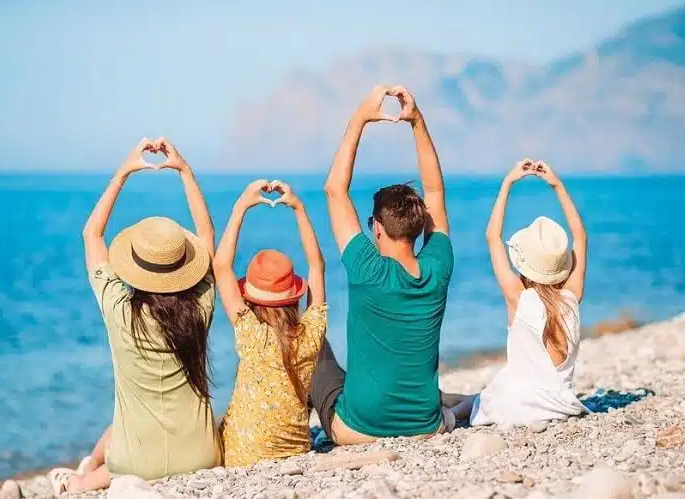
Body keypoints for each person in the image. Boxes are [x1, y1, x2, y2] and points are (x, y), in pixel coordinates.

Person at [49, 138, 222, 494]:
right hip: (202, 455)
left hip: (136, 461)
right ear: (183, 266)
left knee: (120, 448)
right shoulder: (201, 306)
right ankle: (82, 477)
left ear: (134, 266)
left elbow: (91, 234)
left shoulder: (118, 309)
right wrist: (185, 171)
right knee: (122, 436)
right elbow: (207, 235)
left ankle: (77, 482)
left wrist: (123, 172)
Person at [310, 85, 455, 445]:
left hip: (356, 430)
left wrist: (360, 118)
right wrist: (417, 122)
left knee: (311, 342)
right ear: (422, 226)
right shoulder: (438, 267)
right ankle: (455, 410)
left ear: (375, 228)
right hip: (426, 426)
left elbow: (334, 190)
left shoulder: (366, 269)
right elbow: (434, 192)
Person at [450, 159, 589, 425]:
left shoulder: (519, 298)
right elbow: (580, 235)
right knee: (484, 395)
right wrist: (558, 186)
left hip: (516, 406)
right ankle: (453, 404)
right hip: (561, 406)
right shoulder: (572, 297)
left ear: (525, 267)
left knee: (478, 401)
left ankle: (449, 416)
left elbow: (492, 236)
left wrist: (507, 183)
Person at [214, 180, 327, 467]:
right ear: (293, 295)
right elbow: (316, 266)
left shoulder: (252, 334)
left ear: (250, 296)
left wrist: (242, 205)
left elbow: (221, 266)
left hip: (243, 455)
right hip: (298, 449)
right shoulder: (311, 333)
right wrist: (299, 208)